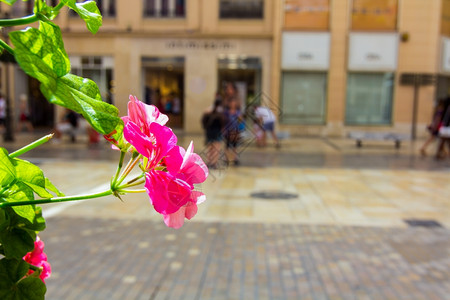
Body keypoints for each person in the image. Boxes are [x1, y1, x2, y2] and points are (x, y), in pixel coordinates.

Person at [201, 99, 226, 168]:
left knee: (210, 149)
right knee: (216, 149)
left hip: (209, 132)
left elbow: (203, 121)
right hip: (217, 132)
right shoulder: (221, 113)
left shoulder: (208, 111)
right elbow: (223, 123)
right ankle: (213, 163)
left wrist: (206, 128)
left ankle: (209, 162)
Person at [223, 97, 243, 166]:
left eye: (234, 103)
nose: (233, 104)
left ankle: (235, 159)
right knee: (227, 146)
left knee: (235, 145)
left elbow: (240, 121)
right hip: (228, 131)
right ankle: (226, 159)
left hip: (235, 131)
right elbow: (224, 121)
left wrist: (240, 118)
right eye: (231, 103)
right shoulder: (226, 112)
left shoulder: (238, 112)